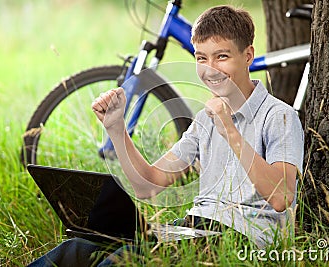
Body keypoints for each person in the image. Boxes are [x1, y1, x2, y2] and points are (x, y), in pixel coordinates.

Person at [28, 5, 304, 266]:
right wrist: (116, 128)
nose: (210, 69)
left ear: (247, 55)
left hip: (243, 239)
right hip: (193, 228)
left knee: (124, 260)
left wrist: (230, 131)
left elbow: (281, 197)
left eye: (222, 56)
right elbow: (147, 186)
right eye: (201, 58)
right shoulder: (205, 121)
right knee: (75, 250)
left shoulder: (279, 116)